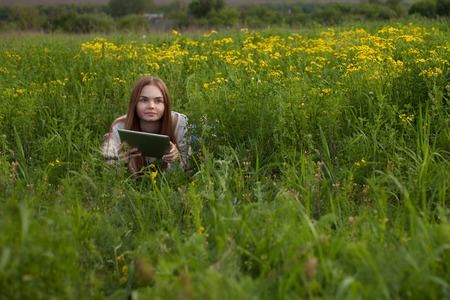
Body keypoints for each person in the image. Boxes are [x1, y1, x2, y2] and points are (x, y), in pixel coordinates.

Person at [102, 75, 188, 173]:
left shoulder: (179, 123)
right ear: (134, 103)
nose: (151, 106)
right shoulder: (120, 126)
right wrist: (122, 164)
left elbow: (186, 170)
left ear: (166, 105)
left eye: (158, 101)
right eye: (143, 100)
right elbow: (109, 172)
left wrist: (176, 160)